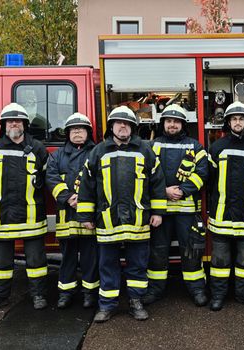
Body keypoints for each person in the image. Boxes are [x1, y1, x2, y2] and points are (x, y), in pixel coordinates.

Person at [78, 106, 167, 323]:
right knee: (107, 264)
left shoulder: (145, 150)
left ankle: (136, 302)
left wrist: (158, 211)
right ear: (112, 127)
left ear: (133, 128)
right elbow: (87, 186)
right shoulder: (98, 151)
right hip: (108, 221)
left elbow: (157, 183)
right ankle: (107, 305)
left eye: (127, 123)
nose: (123, 126)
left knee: (138, 263)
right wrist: (86, 216)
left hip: (138, 220)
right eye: (119, 123)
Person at [0, 103, 51, 313]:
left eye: (18, 120)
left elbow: (47, 178)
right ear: (3, 125)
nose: (14, 124)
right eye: (10, 121)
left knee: (37, 262)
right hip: (2, 215)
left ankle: (38, 295)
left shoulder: (38, 148)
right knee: (1, 265)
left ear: (25, 124)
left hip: (32, 216)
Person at [143, 104, 210, 307]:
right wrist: (164, 191)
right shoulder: (152, 146)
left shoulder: (195, 147)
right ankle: (155, 290)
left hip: (186, 211)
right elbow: (145, 174)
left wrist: (182, 190)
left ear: (183, 124)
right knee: (158, 252)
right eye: (169, 121)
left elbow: (202, 173)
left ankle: (196, 289)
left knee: (191, 252)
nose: (172, 124)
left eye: (176, 121)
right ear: (163, 123)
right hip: (160, 212)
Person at [206, 101, 244, 311]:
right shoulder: (217, 147)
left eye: (241, 119)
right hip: (221, 214)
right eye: (234, 119)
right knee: (219, 261)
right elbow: (209, 181)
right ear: (228, 122)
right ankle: (218, 296)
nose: (237, 122)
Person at [46, 113, 98, 309]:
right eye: (73, 129)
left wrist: (84, 200)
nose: (77, 132)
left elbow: (101, 181)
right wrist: (68, 197)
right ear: (67, 133)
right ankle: (65, 293)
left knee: (89, 257)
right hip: (66, 215)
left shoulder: (96, 153)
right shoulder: (57, 155)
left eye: (81, 129)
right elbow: (51, 179)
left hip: (89, 215)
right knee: (66, 257)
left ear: (88, 132)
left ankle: (89, 293)